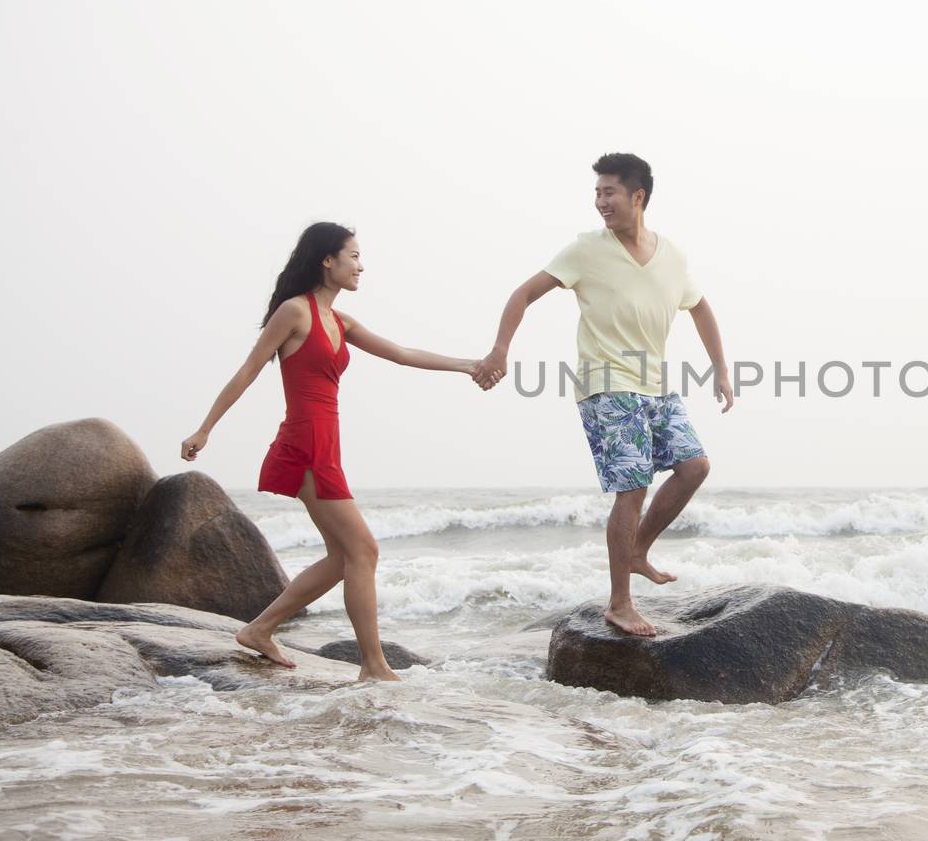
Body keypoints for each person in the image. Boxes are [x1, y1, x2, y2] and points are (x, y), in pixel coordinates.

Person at [181, 222, 479, 681]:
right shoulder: (294, 312)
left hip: (325, 442)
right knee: (364, 550)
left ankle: (260, 629)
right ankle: (374, 666)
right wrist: (205, 429)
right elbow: (249, 370)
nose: (361, 265)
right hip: (305, 442)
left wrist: (467, 365)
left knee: (345, 557)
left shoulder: (341, 321)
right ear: (327, 260)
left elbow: (401, 353)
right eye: (353, 256)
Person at [473, 153, 733, 637]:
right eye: (597, 193)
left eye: (609, 192)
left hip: (656, 385)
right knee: (631, 487)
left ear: (638, 197)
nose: (600, 202)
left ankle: (638, 551)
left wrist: (720, 368)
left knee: (694, 466)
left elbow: (700, 308)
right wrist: (500, 350)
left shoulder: (672, 255)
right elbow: (523, 294)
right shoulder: (584, 250)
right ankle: (620, 603)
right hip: (606, 383)